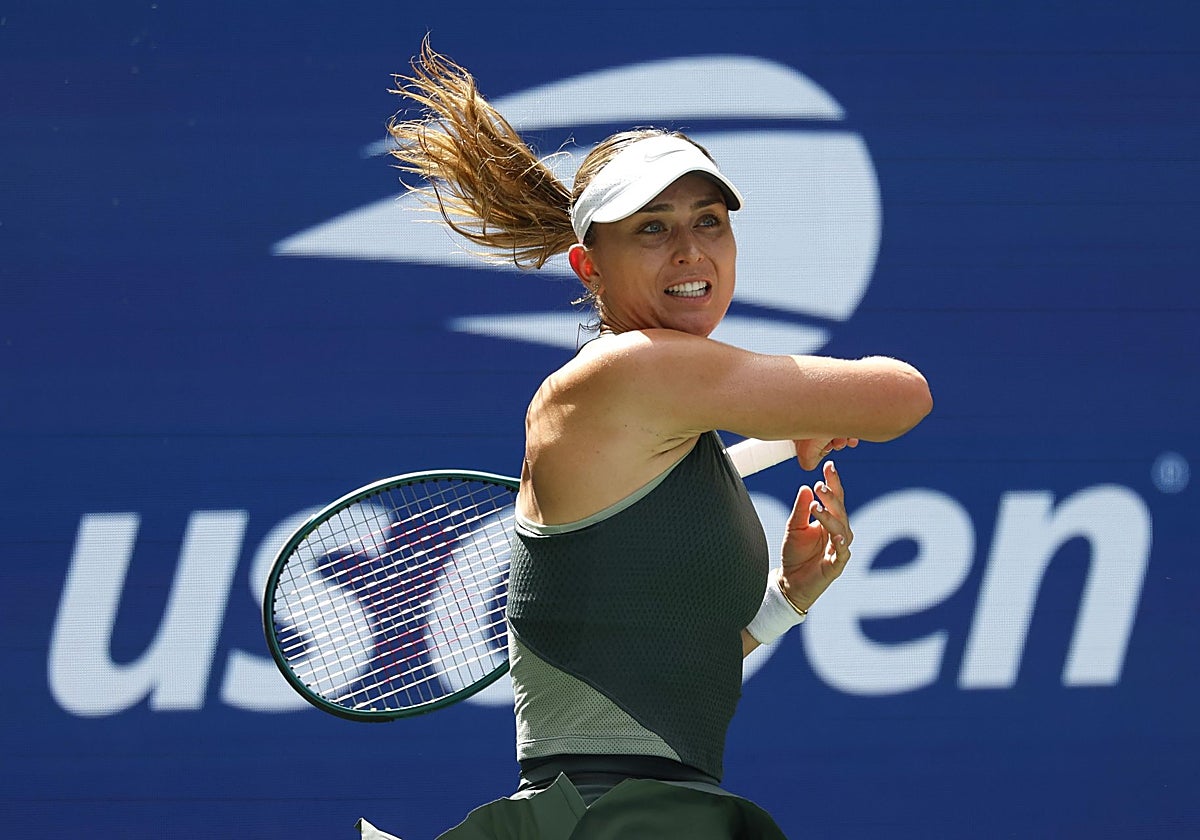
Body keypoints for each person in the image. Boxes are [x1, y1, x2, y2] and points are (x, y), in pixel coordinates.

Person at [365, 40, 932, 840]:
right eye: (652, 229)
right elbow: (902, 395)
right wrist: (806, 408)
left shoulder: (659, 419)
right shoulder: (634, 371)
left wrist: (783, 601)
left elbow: (645, 681)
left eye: (709, 222)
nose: (691, 251)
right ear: (588, 268)